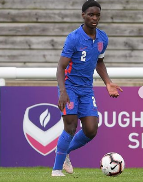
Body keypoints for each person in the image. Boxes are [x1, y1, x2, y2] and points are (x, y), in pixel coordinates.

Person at [51, 0, 123, 177]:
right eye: (91, 14)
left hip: (86, 89)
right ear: (83, 15)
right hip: (69, 86)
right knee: (70, 125)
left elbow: (99, 61)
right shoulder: (74, 38)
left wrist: (108, 82)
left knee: (91, 129)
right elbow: (61, 67)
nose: (94, 18)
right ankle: (56, 170)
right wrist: (63, 92)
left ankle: (64, 150)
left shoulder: (102, 38)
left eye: (97, 14)